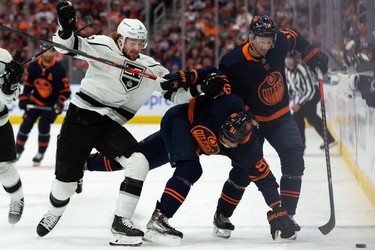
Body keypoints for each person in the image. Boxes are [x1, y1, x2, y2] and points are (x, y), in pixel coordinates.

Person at [36, 1, 196, 247]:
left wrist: (200, 88)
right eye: (132, 42)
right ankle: (54, 212)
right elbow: (67, 47)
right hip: (79, 120)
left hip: (109, 125)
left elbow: (177, 95)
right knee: (64, 187)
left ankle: (121, 222)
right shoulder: (103, 46)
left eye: (140, 44)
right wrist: (66, 29)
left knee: (138, 162)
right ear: (120, 40)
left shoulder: (150, 67)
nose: (136, 48)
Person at [160, 15, 329, 232]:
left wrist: (311, 53)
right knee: (243, 170)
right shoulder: (233, 62)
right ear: (250, 36)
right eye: (261, 40)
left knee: (295, 160)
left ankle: (287, 215)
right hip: (252, 122)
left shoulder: (279, 42)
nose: (266, 46)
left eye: (269, 40)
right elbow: (218, 80)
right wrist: (192, 81)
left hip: (281, 117)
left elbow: (295, 37)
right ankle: (222, 215)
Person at [85, 73, 297, 244]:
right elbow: (217, 75)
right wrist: (190, 77)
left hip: (192, 142)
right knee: (191, 169)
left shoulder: (250, 150)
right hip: (179, 120)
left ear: (242, 142)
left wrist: (278, 209)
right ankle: (159, 219)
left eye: (229, 141)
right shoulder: (228, 103)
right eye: (222, 134)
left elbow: (266, 179)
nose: (223, 141)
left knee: (137, 159)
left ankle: (82, 163)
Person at [15, 46, 71, 166]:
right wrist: (24, 99)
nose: (47, 53)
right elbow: (28, 85)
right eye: (45, 51)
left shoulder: (59, 69)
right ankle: (17, 151)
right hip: (35, 101)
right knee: (25, 125)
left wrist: (60, 102)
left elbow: (65, 91)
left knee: (44, 125)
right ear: (41, 52)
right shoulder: (33, 66)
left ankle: (40, 153)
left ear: (54, 53)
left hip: (51, 104)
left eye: (50, 51)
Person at [285, 52, 336, 150]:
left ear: (295, 59)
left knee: (303, 116)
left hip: (313, 94)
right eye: (287, 58)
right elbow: (292, 84)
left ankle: (302, 145)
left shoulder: (301, 68)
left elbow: (310, 90)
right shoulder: (288, 70)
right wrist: (290, 94)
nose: (289, 61)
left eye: (291, 58)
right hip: (305, 96)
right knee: (302, 117)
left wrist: (299, 103)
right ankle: (327, 139)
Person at [0, 48, 25, 224]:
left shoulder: (3, 58)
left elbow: (8, 99)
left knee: (3, 167)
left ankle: (17, 198)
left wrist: (10, 84)